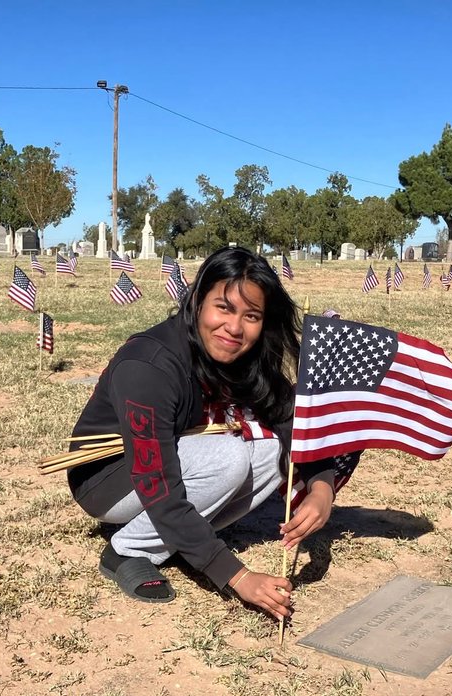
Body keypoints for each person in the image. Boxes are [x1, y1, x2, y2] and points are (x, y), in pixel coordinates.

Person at [68, 246, 336, 620]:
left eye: (252, 315)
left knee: (270, 452)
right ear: (196, 300)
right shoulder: (148, 366)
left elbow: (289, 418)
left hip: (171, 459)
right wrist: (237, 576)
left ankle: (179, 539)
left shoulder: (240, 354)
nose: (235, 327)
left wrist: (322, 487)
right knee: (228, 457)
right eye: (223, 307)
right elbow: (158, 484)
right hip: (108, 478)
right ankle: (127, 549)